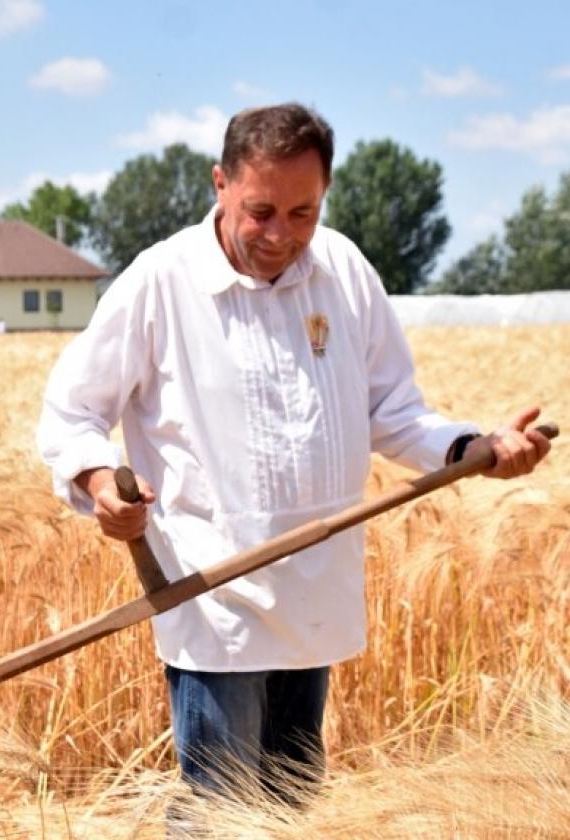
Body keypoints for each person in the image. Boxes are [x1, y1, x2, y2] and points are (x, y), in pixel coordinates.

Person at [36, 103, 551, 804]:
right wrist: (101, 484)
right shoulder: (159, 283)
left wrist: (474, 447)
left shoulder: (342, 271)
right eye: (261, 211)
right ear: (220, 184)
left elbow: (392, 411)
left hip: (316, 591)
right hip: (213, 595)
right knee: (221, 811)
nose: (282, 234)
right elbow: (72, 411)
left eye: (303, 212)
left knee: (294, 807)